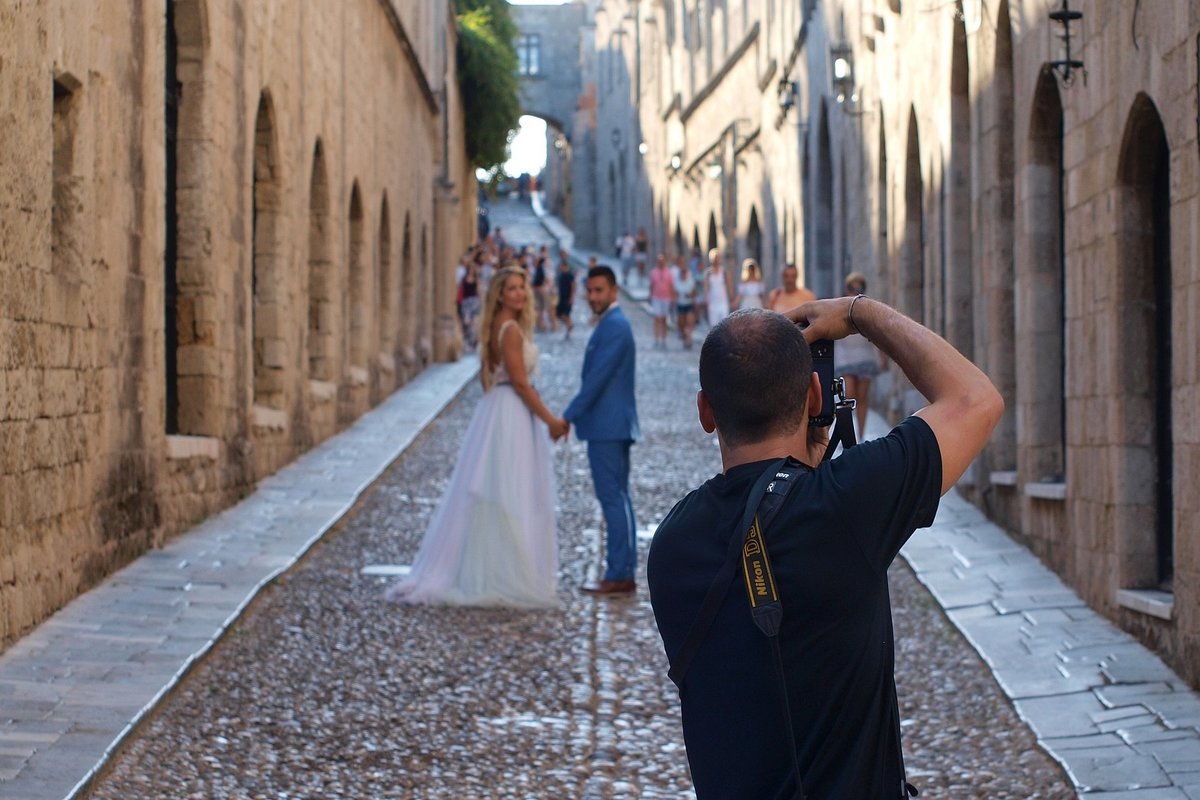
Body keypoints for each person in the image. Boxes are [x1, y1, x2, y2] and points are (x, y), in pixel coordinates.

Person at [646, 300, 1003, 798]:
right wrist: (859, 314)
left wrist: (801, 478)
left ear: (706, 411)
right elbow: (975, 399)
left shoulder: (671, 545)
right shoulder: (849, 503)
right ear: (816, 396)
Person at [386, 267, 569, 608]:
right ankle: (505, 571)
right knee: (509, 492)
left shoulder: (496, 326)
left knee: (496, 492)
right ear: (500, 294)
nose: (519, 294)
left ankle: (493, 566)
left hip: (498, 409)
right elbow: (520, 382)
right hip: (510, 413)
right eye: (512, 288)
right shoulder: (510, 329)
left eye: (522, 287)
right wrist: (551, 422)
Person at [563, 266, 640, 595]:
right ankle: (623, 570)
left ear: (613, 291)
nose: (593, 296)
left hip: (608, 427)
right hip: (613, 425)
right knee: (619, 499)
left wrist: (567, 417)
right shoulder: (613, 324)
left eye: (599, 290)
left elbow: (597, 379)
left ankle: (619, 572)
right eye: (589, 291)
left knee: (612, 499)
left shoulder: (615, 326)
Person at [836, 272, 886, 440]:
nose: (856, 290)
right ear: (847, 288)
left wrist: (882, 354)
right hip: (846, 357)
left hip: (865, 356)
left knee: (863, 398)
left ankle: (861, 435)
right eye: (852, 287)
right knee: (848, 397)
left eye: (860, 287)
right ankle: (847, 435)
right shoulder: (840, 306)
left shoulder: (869, 307)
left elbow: (877, 332)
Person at [648, 253, 675, 349]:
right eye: (659, 261)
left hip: (666, 298)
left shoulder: (669, 273)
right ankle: (656, 339)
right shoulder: (653, 272)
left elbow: (672, 286)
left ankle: (664, 340)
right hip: (656, 297)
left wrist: (672, 298)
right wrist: (649, 296)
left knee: (664, 319)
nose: (661, 263)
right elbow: (651, 285)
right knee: (657, 318)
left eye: (662, 261)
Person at [672, 255, 697, 349]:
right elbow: (674, 293)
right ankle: (684, 338)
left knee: (689, 323)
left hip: (689, 304)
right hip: (680, 304)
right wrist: (673, 301)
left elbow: (695, 292)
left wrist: (690, 295)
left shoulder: (690, 281)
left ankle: (689, 340)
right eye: (682, 273)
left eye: (684, 272)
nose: (683, 274)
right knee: (682, 324)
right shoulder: (677, 282)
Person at [704, 249, 734, 327]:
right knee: (713, 326)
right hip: (712, 303)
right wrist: (706, 301)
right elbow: (706, 288)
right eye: (714, 258)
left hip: (723, 303)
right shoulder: (708, 273)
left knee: (724, 326)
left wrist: (731, 299)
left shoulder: (724, 272)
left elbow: (730, 286)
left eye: (717, 257)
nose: (716, 260)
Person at [554, 251, 576, 338]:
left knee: (565, 314)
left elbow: (573, 286)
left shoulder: (569, 275)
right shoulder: (562, 275)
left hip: (567, 297)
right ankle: (569, 325)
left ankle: (569, 328)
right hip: (561, 297)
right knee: (559, 314)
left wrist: (571, 297)